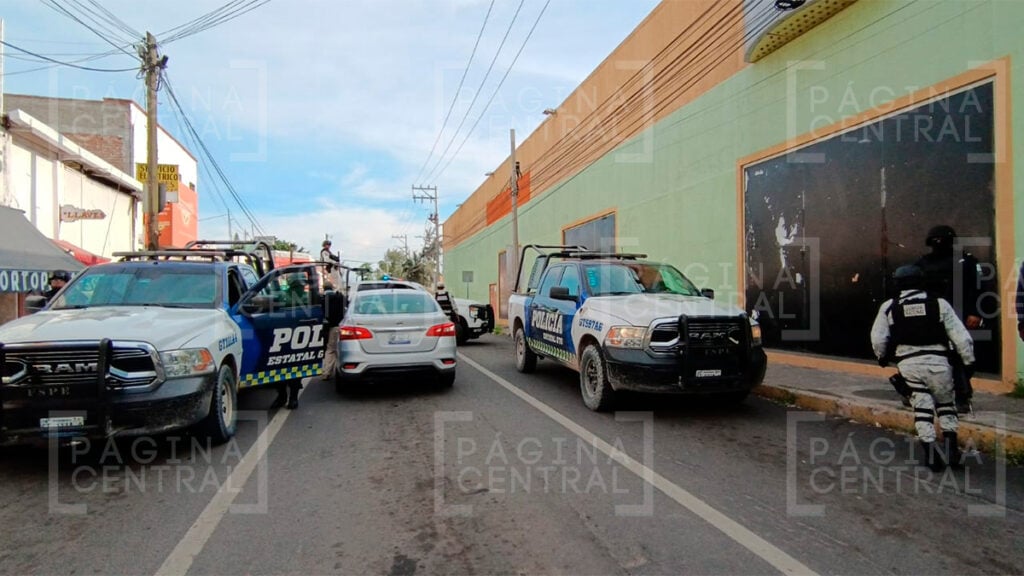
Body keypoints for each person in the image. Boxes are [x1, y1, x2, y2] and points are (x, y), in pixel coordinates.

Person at [871, 265, 974, 471]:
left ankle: (931, 454)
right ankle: (952, 450)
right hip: (940, 363)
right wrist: (968, 361)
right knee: (946, 405)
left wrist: (882, 357)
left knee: (922, 408)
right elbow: (961, 337)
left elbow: (878, 338)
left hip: (909, 364)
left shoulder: (890, 306)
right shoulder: (939, 303)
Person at [914, 225, 980, 413]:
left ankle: (962, 397)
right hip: (932, 318)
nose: (938, 244)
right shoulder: (923, 263)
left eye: (942, 240)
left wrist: (975, 313)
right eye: (935, 241)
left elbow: (978, 287)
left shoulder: (965, 261)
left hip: (957, 317)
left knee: (959, 357)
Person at [320, 285, 346, 381]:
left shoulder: (323, 299)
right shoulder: (340, 297)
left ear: (324, 289)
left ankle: (326, 372)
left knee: (330, 349)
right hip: (343, 326)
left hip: (332, 327)